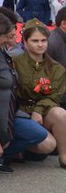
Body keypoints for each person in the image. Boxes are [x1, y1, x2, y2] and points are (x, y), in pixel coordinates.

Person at [0, 13, 54, 174]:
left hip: (12, 112)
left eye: (43, 40)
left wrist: (38, 109)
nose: (14, 32)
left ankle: (1, 153)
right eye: (11, 29)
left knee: (41, 137)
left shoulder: (5, 51)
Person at [12, 20, 66, 169]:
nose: (40, 44)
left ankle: (64, 156)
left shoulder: (57, 68)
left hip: (42, 113)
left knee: (60, 113)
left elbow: (54, 96)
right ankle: (14, 150)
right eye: (35, 41)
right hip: (19, 112)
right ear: (25, 41)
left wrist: (38, 111)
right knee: (47, 146)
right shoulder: (14, 62)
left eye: (43, 40)